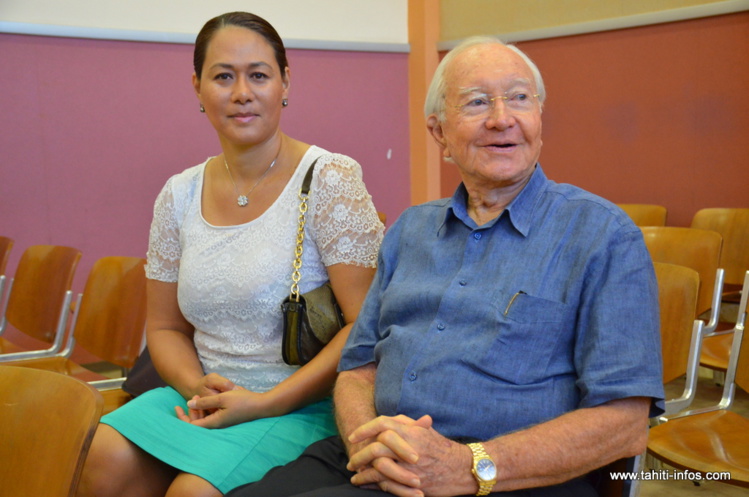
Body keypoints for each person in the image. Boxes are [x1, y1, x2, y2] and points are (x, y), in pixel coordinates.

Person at [226, 36, 664, 497]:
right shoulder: (411, 230)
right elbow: (357, 368)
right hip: (374, 459)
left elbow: (625, 424)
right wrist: (370, 443)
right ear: (439, 132)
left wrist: (468, 466)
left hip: (504, 480)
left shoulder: (602, 236)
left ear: (539, 116)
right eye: (477, 103)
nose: (502, 118)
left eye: (519, 98)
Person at [77, 11, 384, 497]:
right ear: (198, 87)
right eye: (223, 76)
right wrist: (199, 388)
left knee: (192, 492)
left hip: (300, 404)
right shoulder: (178, 194)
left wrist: (263, 403)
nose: (242, 92)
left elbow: (362, 326)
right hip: (200, 393)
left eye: (258, 75)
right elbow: (164, 327)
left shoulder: (330, 180)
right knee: (103, 454)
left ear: (285, 83)